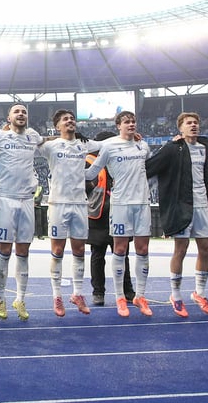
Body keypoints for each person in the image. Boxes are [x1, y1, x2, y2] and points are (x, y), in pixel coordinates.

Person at [146, 112, 208, 318]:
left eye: (196, 123)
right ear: (180, 128)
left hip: (204, 204)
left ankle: (200, 293)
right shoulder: (173, 149)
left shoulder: (205, 147)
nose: (193, 126)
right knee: (180, 249)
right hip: (182, 205)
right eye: (189, 123)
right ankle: (176, 295)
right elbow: (150, 167)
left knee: (206, 248)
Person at [84, 111, 153, 318]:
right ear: (118, 126)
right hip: (120, 203)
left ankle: (140, 296)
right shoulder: (109, 146)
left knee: (142, 249)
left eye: (133, 121)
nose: (131, 124)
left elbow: (146, 166)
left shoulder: (143, 146)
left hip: (142, 202)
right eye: (126, 122)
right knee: (120, 249)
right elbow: (90, 173)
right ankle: (120, 297)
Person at [37, 109, 102, 317]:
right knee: (57, 250)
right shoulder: (51, 146)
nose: (70, 121)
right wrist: (52, 137)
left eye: (72, 118)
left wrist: (129, 137)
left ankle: (77, 293)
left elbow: (108, 145)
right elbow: (28, 140)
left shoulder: (84, 144)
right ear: (57, 126)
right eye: (65, 119)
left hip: (80, 203)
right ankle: (57, 296)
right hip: (58, 203)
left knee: (80, 250)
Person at [0, 104, 43, 321]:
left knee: (24, 251)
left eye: (24, 112)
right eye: (16, 111)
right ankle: (0, 298)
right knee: (5, 250)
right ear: (8, 117)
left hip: (27, 199)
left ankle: (20, 298)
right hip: (6, 198)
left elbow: (47, 142)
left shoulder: (33, 136)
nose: (21, 114)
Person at [86, 131, 134, 306]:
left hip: (120, 211)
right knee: (97, 256)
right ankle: (98, 292)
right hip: (97, 214)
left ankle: (127, 291)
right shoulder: (89, 160)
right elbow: (81, 184)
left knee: (123, 255)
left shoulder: (122, 158)